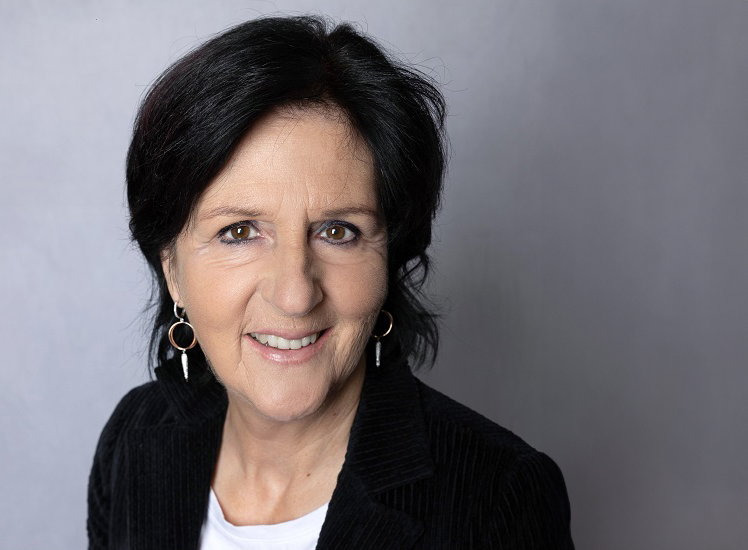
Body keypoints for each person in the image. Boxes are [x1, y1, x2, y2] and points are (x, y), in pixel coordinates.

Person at [88, 15, 574, 549]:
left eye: (337, 232)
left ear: (388, 255)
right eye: (240, 231)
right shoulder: (133, 439)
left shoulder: (499, 497)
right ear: (171, 269)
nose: (295, 295)